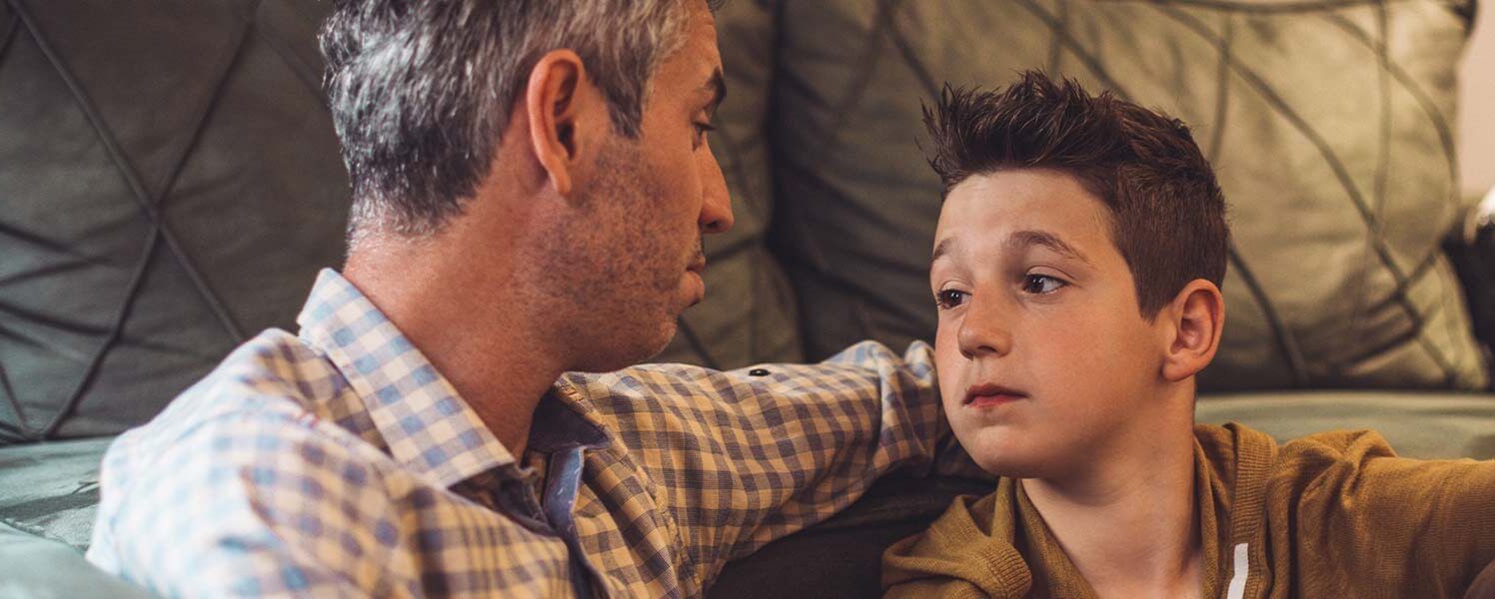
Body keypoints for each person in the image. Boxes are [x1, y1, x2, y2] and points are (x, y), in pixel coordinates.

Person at [87, 1, 969, 596]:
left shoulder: (612, 451)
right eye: (698, 127)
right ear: (563, 124)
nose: (719, 203)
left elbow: (916, 401)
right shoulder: (269, 492)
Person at [880, 72, 1495, 598]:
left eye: (1038, 281)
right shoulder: (955, 576)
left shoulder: (1317, 511)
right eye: (951, 293)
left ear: (1185, 328)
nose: (972, 331)